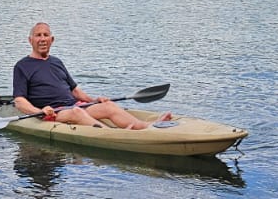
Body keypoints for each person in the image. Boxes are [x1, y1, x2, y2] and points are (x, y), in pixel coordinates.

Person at [12, 23, 173, 129]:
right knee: (77, 113)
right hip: (54, 112)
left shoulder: (57, 62)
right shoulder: (22, 66)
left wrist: (94, 100)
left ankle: (148, 127)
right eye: (38, 35)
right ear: (30, 40)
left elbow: (75, 91)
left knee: (108, 106)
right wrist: (40, 110)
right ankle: (114, 135)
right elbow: (19, 101)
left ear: (52, 40)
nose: (42, 39)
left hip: (76, 105)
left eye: (45, 35)